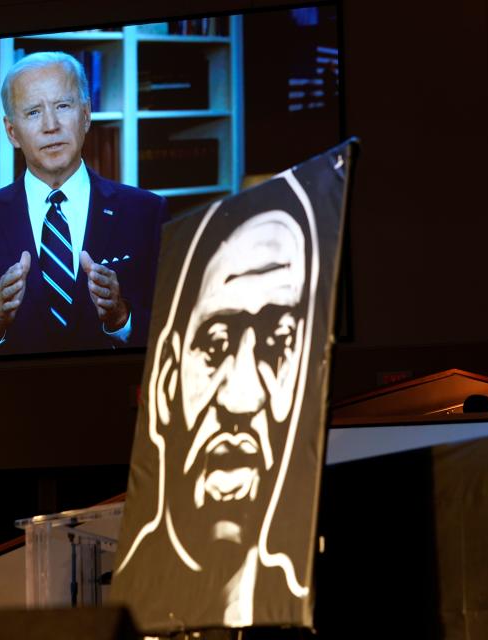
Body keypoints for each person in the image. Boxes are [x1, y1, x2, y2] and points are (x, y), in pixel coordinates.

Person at [113, 175, 321, 628]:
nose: (242, 397)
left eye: (278, 342)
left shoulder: (297, 595)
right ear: (166, 382)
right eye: (216, 344)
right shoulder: (118, 612)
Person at [0, 51, 168, 354]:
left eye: (63, 106)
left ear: (86, 115)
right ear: (12, 132)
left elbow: (175, 334)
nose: (51, 125)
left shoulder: (146, 213)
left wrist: (121, 317)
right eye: (33, 112)